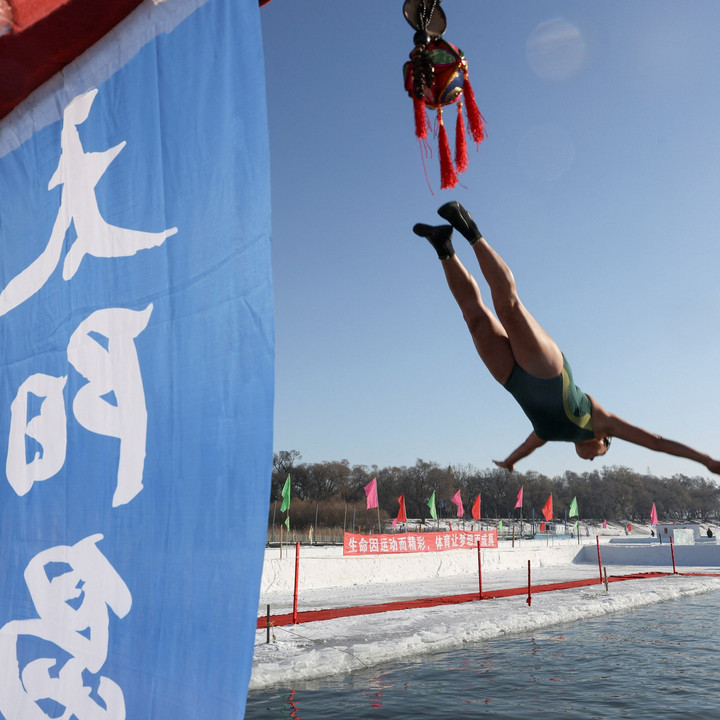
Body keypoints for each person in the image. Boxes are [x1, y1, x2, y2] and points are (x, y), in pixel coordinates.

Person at [414, 201, 720, 475]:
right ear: (604, 441)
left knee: (475, 319)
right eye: (601, 454)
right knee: (509, 309)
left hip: (512, 379)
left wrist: (510, 462)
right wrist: (706, 460)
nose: (592, 459)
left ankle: (443, 246)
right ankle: (469, 228)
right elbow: (656, 442)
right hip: (548, 372)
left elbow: (526, 448)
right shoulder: (602, 422)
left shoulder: (546, 434)